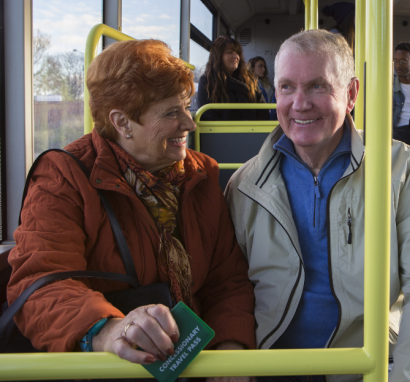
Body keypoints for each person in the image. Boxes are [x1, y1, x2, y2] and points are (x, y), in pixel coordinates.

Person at [7, 39, 255, 381]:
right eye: (171, 112)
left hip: (196, 361)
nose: (190, 123)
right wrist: (109, 330)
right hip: (112, 368)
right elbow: (39, 284)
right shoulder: (63, 177)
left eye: (186, 106)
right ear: (122, 123)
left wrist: (231, 350)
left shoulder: (200, 174)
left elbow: (226, 280)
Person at [225, 30, 410, 382]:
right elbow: (227, 287)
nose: (299, 103)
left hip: (365, 365)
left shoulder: (398, 167)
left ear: (351, 94)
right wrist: (235, 352)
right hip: (269, 365)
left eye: (318, 86)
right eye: (287, 87)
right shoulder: (245, 184)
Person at [198, 35, 270, 121]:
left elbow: (262, 109)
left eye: (237, 53)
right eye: (229, 52)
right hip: (221, 133)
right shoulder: (207, 81)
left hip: (251, 132)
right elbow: (207, 115)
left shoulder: (249, 79)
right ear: (218, 56)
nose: (235, 56)